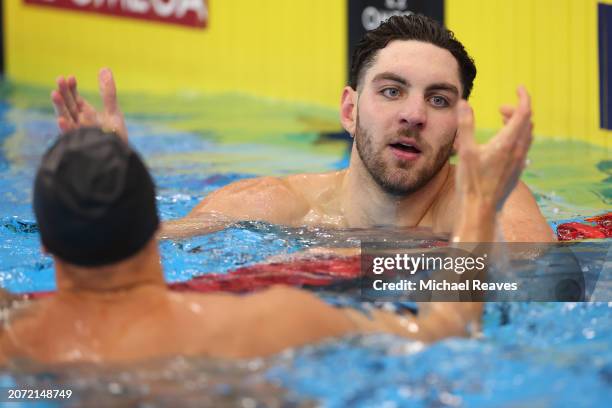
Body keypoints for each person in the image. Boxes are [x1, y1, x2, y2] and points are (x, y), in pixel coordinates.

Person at [0, 98, 529, 362]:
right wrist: (479, 204)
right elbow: (443, 336)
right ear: (150, 219)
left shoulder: (14, 340)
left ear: (45, 243)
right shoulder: (269, 321)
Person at [50, 14, 554, 242]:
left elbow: (546, 284)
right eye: (391, 90)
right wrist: (110, 193)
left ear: (462, 125)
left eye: (438, 99)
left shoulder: (489, 201)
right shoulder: (274, 205)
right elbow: (134, 249)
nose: (414, 114)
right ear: (348, 110)